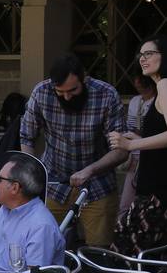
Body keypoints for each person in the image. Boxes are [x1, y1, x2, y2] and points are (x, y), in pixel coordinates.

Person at [20, 54, 126, 248]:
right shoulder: (41, 92)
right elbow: (27, 136)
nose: (67, 96)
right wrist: (32, 172)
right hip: (54, 183)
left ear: (84, 78)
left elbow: (121, 150)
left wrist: (90, 170)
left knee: (99, 252)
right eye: (60, 92)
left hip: (98, 184)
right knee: (43, 246)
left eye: (73, 90)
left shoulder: (106, 94)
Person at [109, 37, 167, 256]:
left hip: (161, 193)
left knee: (128, 252)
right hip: (166, 190)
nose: (142, 59)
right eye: (141, 55)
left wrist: (131, 143)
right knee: (158, 256)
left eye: (149, 54)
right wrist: (137, 137)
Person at [119, 71, 157, 213]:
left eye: (140, 80)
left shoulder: (157, 101)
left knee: (146, 200)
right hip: (133, 155)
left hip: (150, 154)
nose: (137, 83)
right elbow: (130, 125)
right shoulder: (135, 101)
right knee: (126, 203)